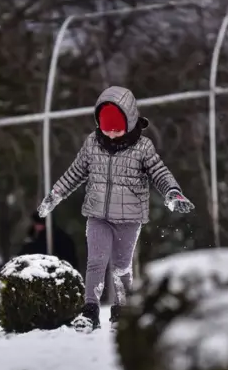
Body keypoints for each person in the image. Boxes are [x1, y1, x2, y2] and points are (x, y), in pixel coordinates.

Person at [37, 85, 194, 328]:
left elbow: (160, 173)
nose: (110, 136)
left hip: (129, 219)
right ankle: (90, 311)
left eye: (116, 130)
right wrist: (55, 194)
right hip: (97, 215)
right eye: (105, 129)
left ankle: (122, 312)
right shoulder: (92, 144)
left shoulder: (143, 148)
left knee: (122, 266)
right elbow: (75, 173)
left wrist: (173, 192)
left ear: (129, 122)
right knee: (95, 261)